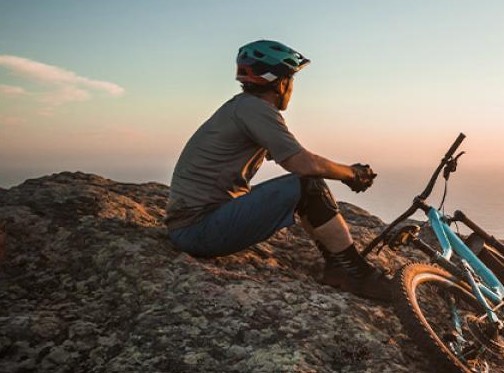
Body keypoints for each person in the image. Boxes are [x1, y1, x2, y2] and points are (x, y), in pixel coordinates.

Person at [164, 39, 388, 300]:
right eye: (291, 80)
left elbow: (293, 156)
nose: (291, 88)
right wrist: (352, 174)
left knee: (300, 187)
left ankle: (337, 265)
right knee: (307, 185)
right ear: (281, 82)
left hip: (195, 224)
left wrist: (345, 172)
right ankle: (355, 273)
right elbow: (303, 164)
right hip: (199, 229)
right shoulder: (255, 110)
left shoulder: (243, 108)